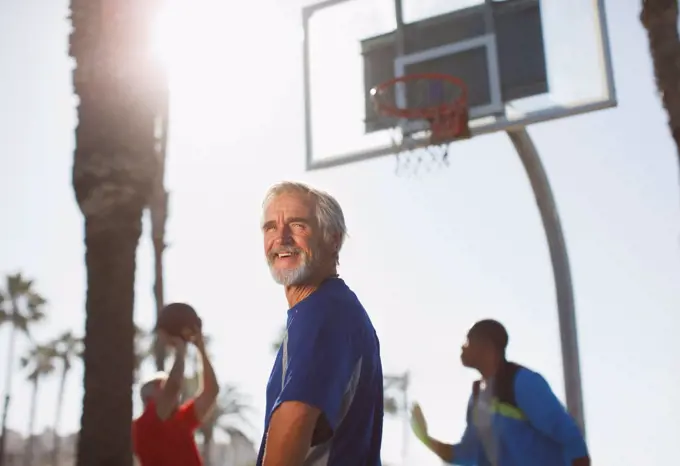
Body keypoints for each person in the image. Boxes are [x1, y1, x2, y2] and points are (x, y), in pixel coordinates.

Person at [256, 181, 384, 466]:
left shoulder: (325, 313)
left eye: (298, 225)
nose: (281, 238)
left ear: (333, 240)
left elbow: (295, 422)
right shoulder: (326, 313)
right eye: (270, 228)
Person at [411, 319, 590, 466]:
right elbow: (467, 454)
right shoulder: (477, 398)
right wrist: (426, 439)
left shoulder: (523, 382)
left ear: (487, 346)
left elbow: (571, 439)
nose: (463, 347)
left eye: (468, 341)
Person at [133, 328, 219, 466]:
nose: (177, 395)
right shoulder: (143, 425)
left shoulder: (181, 419)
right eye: (162, 386)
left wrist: (200, 348)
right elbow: (173, 388)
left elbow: (211, 392)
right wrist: (180, 348)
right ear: (150, 396)